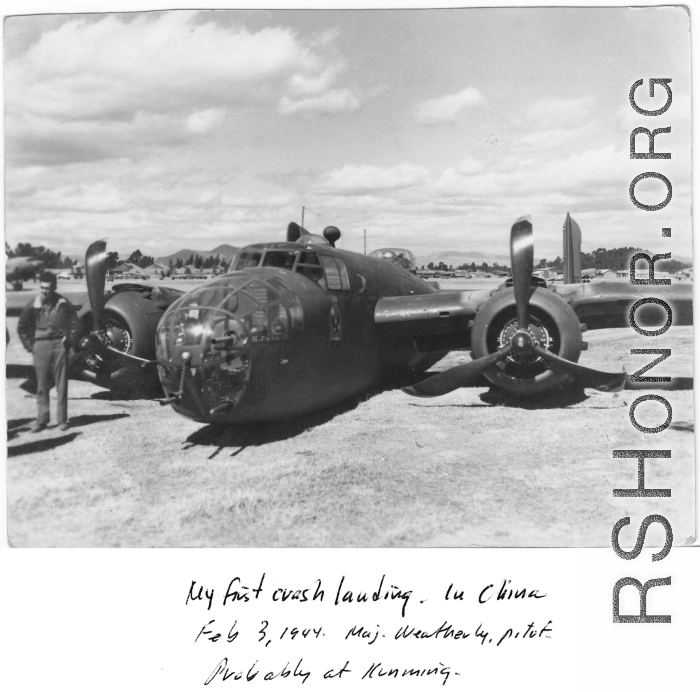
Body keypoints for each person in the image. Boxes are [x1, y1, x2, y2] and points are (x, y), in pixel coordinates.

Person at [18, 271, 79, 432]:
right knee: (42, 384)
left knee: (61, 383)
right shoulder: (33, 304)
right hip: (41, 346)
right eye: (43, 288)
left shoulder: (64, 303)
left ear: (55, 287)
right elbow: (22, 327)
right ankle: (42, 419)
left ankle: (62, 420)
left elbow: (75, 323)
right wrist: (31, 346)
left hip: (60, 345)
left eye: (48, 288)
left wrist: (69, 339)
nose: (45, 291)